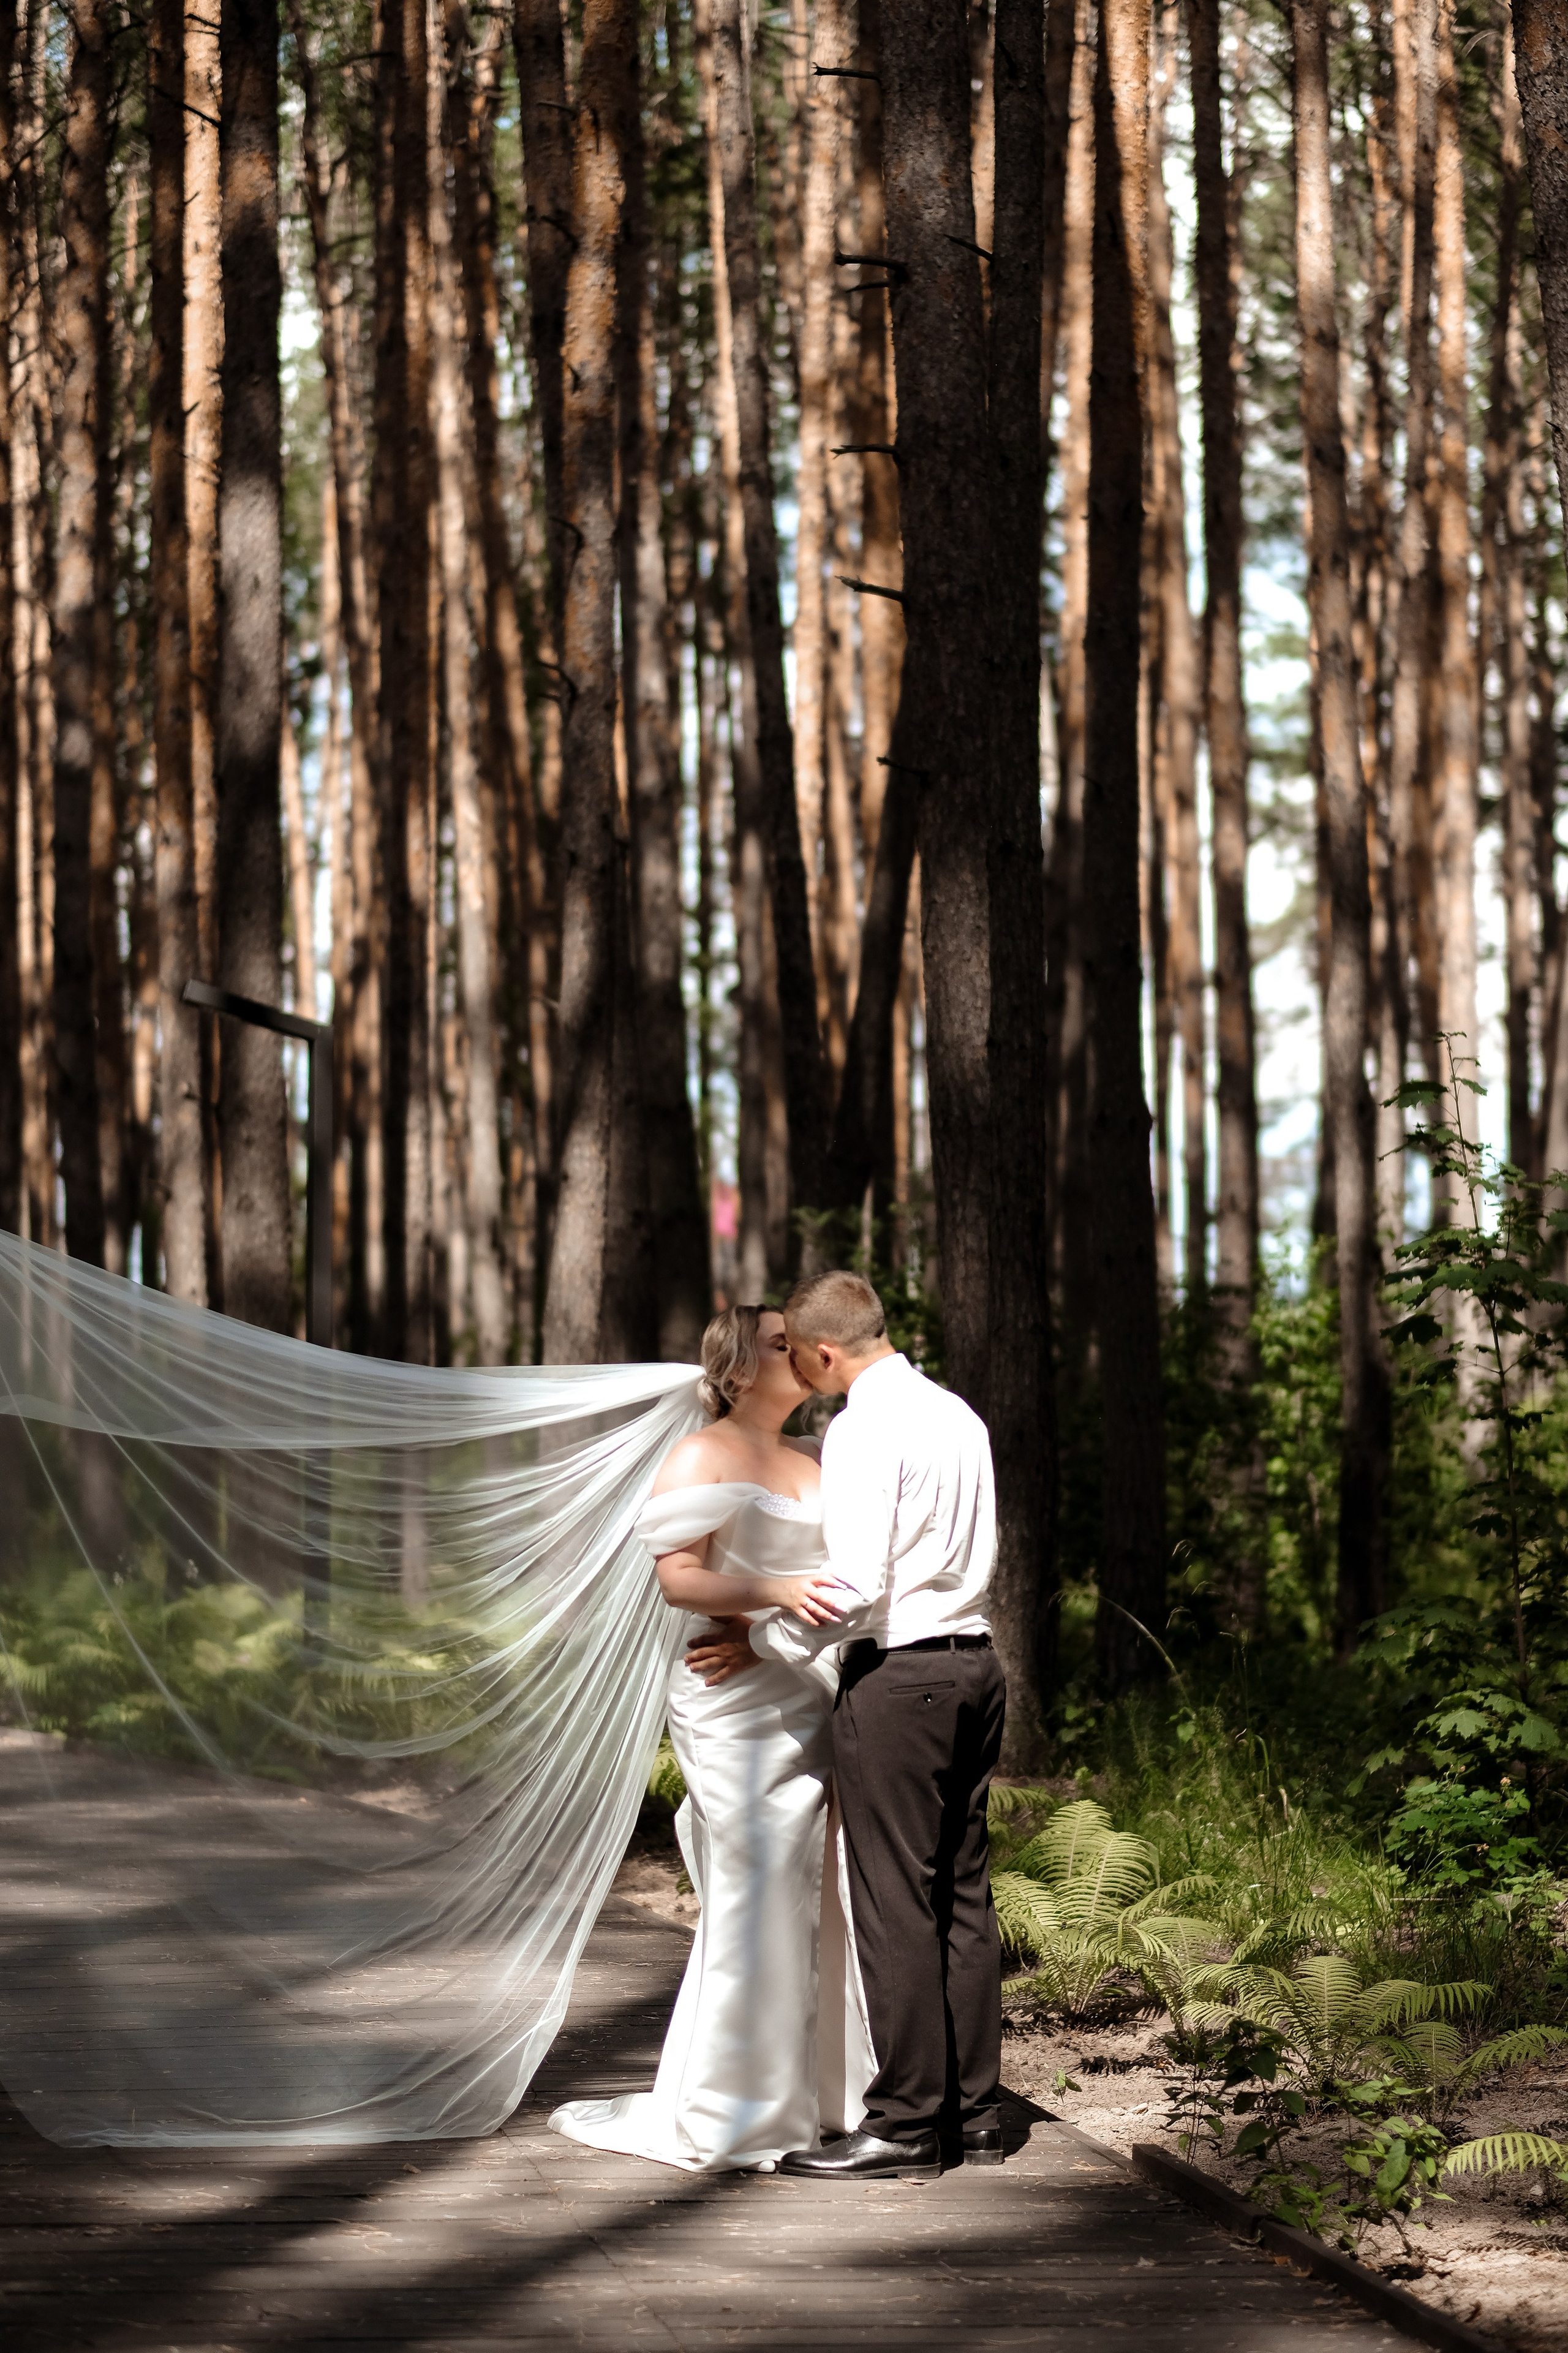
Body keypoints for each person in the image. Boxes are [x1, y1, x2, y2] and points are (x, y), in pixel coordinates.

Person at [547, 1305, 875, 2172]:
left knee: (809, 1889)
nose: (799, 1354)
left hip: (803, 1687)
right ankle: (734, 2106)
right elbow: (679, 1575)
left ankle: (814, 2094)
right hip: (725, 1698)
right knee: (754, 1882)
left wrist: (786, 1620)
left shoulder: (816, 1458)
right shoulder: (700, 1455)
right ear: (735, 1371)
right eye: (778, 1344)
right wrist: (777, 1586)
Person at [747, 1269, 1005, 2182]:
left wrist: (766, 1635)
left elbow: (853, 1583)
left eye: (803, 1360)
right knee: (963, 1896)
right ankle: (974, 2113)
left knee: (895, 1898)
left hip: (903, 1677)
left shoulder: (862, 1427)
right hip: (977, 1661)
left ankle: (901, 2123)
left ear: (825, 1351)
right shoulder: (959, 1414)